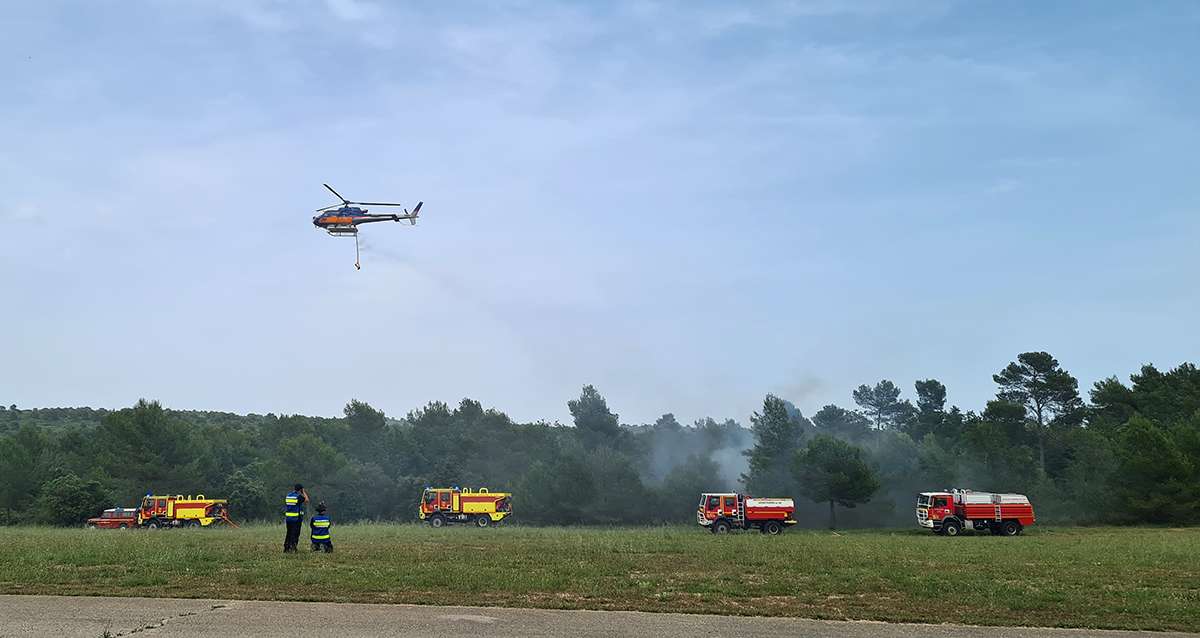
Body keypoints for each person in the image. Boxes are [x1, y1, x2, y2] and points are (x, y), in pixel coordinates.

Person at [283, 483, 308, 553]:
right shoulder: (298, 497)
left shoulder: (288, 496)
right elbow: (306, 500)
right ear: (300, 490)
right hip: (296, 519)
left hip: (288, 518)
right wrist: (303, 492)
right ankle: (293, 547)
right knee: (295, 533)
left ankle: (286, 547)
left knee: (289, 532)